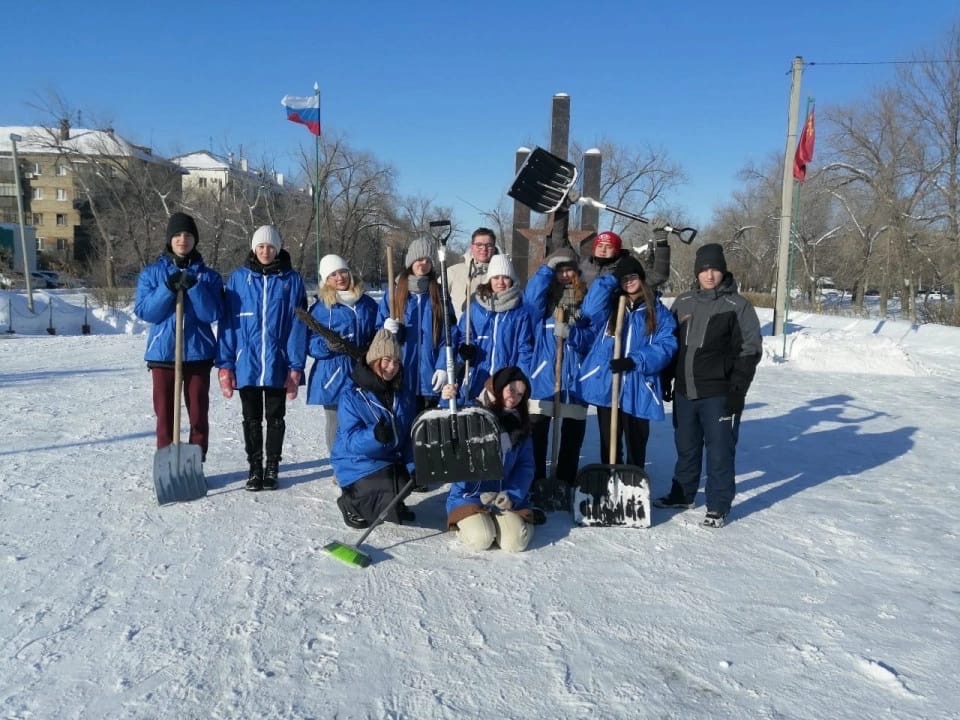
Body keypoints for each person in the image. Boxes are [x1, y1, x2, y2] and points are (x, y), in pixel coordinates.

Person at [655, 243, 762, 528]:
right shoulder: (684, 301)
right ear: (696, 272)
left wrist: (737, 392)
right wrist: (666, 378)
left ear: (723, 270)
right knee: (686, 446)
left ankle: (718, 504)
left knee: (720, 450)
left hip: (719, 393)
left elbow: (750, 351)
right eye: (704, 269)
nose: (709, 275)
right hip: (685, 391)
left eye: (714, 269)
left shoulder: (737, 306)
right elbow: (670, 344)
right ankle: (683, 493)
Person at [217, 225, 307, 491]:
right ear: (253, 248)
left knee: (276, 417)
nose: (265, 251)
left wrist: (295, 365)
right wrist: (226, 363)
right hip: (247, 363)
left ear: (277, 249)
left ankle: (272, 467)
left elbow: (297, 325)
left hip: (278, 362)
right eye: (261, 246)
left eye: (270, 246)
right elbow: (228, 323)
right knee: (251, 418)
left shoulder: (291, 280)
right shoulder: (237, 280)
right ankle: (255, 468)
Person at [134, 212, 223, 462]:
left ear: (195, 240)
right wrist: (167, 289)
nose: (182, 240)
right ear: (169, 239)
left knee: (198, 413)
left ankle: (195, 462)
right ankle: (167, 460)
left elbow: (213, 313)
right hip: (163, 353)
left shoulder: (209, 277)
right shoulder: (152, 275)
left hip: (198, 354)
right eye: (177, 235)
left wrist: (194, 287)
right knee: (165, 414)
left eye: (188, 235)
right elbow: (146, 311)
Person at [579, 254, 677, 470]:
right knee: (609, 444)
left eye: (633, 276)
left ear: (642, 278)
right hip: (609, 385)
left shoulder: (657, 312)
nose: (628, 281)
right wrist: (611, 278)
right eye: (624, 278)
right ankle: (610, 481)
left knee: (636, 443)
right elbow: (589, 308)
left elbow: (666, 345)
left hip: (640, 385)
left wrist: (634, 360)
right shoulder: (610, 308)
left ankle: (633, 482)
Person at [522, 246, 593, 501]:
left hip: (574, 377)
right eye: (560, 270)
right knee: (537, 432)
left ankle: (564, 480)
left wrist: (572, 333)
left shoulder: (585, 303)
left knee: (573, 434)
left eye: (569, 270)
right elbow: (529, 300)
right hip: (544, 377)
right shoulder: (542, 305)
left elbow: (591, 339)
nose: (565, 275)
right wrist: (546, 268)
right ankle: (537, 479)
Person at [444, 366, 537, 552]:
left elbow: (525, 466)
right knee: (482, 539)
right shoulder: (472, 412)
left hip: (504, 497)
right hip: (469, 495)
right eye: (511, 389)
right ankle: (468, 525)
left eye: (520, 394)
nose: (514, 397)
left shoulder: (521, 425)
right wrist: (447, 399)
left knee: (515, 543)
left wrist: (512, 495)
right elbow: (448, 426)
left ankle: (503, 521)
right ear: (500, 386)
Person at [331, 329, 417, 529]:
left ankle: (393, 504)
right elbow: (351, 442)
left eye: (396, 362)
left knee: (409, 480)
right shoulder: (352, 395)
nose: (391, 367)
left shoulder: (402, 393)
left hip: (388, 458)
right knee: (388, 484)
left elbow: (407, 436)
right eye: (386, 360)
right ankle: (351, 504)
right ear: (374, 360)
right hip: (356, 463)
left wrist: (414, 467)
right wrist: (374, 436)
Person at [305, 254, 379, 455]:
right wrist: (326, 344)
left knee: (364, 418)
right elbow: (310, 344)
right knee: (336, 421)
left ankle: (361, 461)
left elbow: (378, 332)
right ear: (325, 280)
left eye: (342, 272)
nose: (339, 278)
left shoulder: (367, 304)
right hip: (332, 373)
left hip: (362, 369)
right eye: (333, 275)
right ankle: (339, 464)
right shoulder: (320, 308)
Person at [378, 237, 456, 414]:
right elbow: (378, 336)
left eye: (428, 260)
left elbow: (450, 334)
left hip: (432, 379)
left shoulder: (439, 295)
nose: (424, 264)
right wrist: (386, 330)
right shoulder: (394, 293)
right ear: (410, 261)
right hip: (401, 376)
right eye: (420, 259)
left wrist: (443, 366)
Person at [453, 253, 534, 404]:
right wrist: (465, 350)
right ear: (489, 279)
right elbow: (463, 336)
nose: (501, 282)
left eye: (505, 277)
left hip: (505, 379)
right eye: (496, 278)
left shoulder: (520, 312)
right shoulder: (475, 309)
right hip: (477, 376)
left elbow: (525, 349)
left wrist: (519, 378)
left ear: (512, 280)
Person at [445, 227, 499, 319]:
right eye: (479, 245)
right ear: (471, 247)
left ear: (494, 247)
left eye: (489, 245)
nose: (484, 248)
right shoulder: (453, 272)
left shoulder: (502, 275)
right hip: (461, 331)